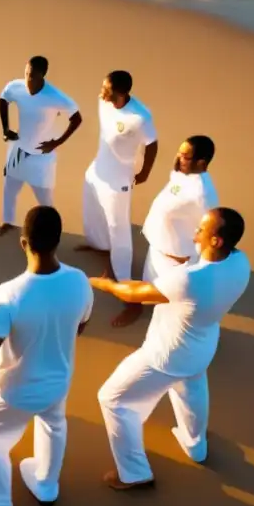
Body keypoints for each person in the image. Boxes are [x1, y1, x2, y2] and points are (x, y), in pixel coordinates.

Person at [92, 208, 250, 488]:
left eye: (202, 230)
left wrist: (103, 284)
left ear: (216, 241)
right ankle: (195, 446)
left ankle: (135, 473)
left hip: (166, 355)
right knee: (190, 391)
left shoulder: (190, 280)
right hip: (202, 347)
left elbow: (134, 293)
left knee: (112, 399)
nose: (195, 234)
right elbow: (193, 275)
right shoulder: (240, 262)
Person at [0, 206, 93, 506]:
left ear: (23, 243)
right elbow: (80, 327)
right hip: (59, 380)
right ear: (58, 240)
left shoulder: (9, 294)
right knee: (54, 424)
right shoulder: (79, 281)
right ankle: (46, 486)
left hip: (15, 389)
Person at [76, 71, 159, 327]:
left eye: (107, 90)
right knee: (92, 213)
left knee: (119, 231)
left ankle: (129, 296)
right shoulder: (104, 101)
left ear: (122, 94)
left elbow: (152, 143)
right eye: (103, 87)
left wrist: (144, 172)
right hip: (97, 171)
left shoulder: (140, 117)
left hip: (118, 183)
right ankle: (100, 246)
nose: (101, 93)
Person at [123, 135, 220, 327]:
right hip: (158, 246)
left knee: (169, 302)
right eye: (179, 151)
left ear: (201, 163)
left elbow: (211, 233)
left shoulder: (202, 193)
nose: (178, 158)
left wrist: (194, 257)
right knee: (148, 286)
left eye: (184, 156)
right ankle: (137, 307)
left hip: (175, 258)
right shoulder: (183, 172)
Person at [0, 56, 82, 237]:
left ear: (43, 75)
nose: (28, 79)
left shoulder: (55, 96)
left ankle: (51, 233)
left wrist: (57, 142)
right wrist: (6, 128)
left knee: (44, 199)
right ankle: (7, 222)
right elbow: (3, 98)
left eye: (32, 76)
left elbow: (76, 118)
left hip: (42, 156)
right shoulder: (16, 87)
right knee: (9, 189)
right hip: (18, 151)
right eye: (26, 73)